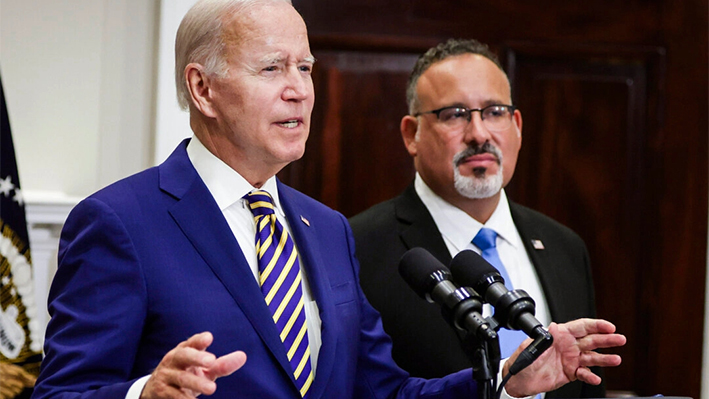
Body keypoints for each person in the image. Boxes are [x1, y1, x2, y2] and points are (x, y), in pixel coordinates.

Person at [31, 3, 625, 399]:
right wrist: (143, 394)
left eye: (305, 67)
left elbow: (382, 389)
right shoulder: (119, 223)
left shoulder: (325, 228)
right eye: (271, 68)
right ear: (202, 88)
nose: (298, 89)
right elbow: (61, 393)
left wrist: (501, 380)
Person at [350, 39, 604, 398]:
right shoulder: (359, 248)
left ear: (516, 125)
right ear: (412, 135)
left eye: (494, 112)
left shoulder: (564, 246)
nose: (479, 134)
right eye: (454, 114)